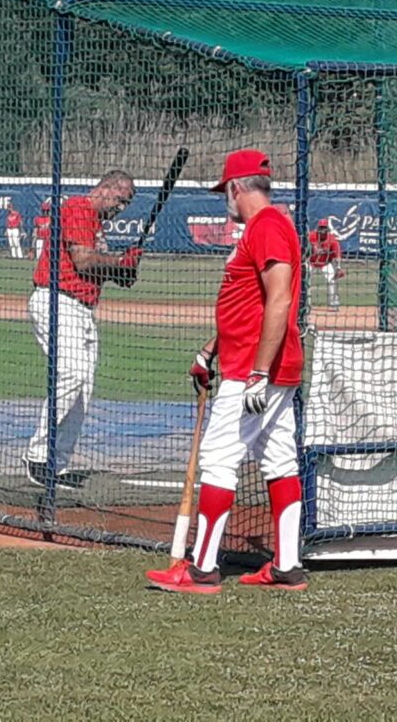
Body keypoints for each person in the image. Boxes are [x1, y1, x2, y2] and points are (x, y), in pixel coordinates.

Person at [146, 149, 307, 594]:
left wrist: (256, 372)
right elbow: (247, 306)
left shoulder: (268, 225)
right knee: (279, 461)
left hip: (254, 371)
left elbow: (278, 299)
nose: (225, 201)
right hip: (259, 365)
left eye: (225, 192)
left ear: (237, 188)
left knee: (218, 461)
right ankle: (287, 566)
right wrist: (209, 350)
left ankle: (200, 570)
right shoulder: (266, 227)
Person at [22, 171, 142, 490]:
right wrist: (119, 262)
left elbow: (102, 271)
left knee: (82, 390)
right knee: (72, 375)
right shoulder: (78, 208)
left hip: (83, 309)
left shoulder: (96, 225)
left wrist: (123, 271)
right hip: (58, 301)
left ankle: (56, 465)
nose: (121, 208)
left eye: (126, 204)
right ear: (104, 188)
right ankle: (37, 456)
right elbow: (85, 261)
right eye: (120, 199)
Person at [308, 218, 343, 310]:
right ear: (318, 228)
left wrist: (338, 267)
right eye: (321, 227)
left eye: (324, 228)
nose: (322, 230)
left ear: (327, 229)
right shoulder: (311, 236)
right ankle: (306, 303)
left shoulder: (332, 239)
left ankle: (333, 302)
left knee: (331, 280)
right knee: (305, 281)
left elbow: (337, 254)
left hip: (325, 263)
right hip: (311, 262)